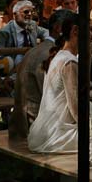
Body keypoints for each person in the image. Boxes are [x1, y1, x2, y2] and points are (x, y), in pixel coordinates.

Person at [28, 22, 81, 153]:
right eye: (90, 30)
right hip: (56, 136)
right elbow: (77, 112)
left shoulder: (58, 56)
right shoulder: (69, 62)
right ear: (75, 31)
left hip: (43, 132)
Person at [8, 36, 57, 141]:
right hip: (34, 123)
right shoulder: (50, 54)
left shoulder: (39, 49)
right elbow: (51, 95)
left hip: (20, 120)